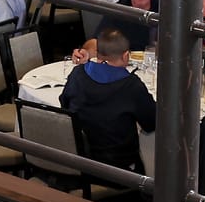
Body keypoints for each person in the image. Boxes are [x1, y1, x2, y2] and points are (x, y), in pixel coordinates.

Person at [59, 30, 156, 180]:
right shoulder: (131, 86)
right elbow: (151, 122)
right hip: (118, 169)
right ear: (126, 56)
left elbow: (64, 106)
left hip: (79, 161)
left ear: (97, 53)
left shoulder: (78, 74)